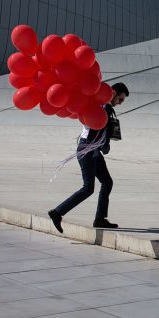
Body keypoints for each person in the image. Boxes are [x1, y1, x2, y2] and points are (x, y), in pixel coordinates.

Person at [48, 82, 129, 233]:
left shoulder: (105, 107)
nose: (120, 103)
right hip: (87, 149)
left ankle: (100, 219)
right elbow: (96, 130)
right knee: (88, 188)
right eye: (120, 99)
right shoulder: (100, 106)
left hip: (94, 151)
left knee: (107, 182)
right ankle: (57, 212)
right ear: (113, 93)